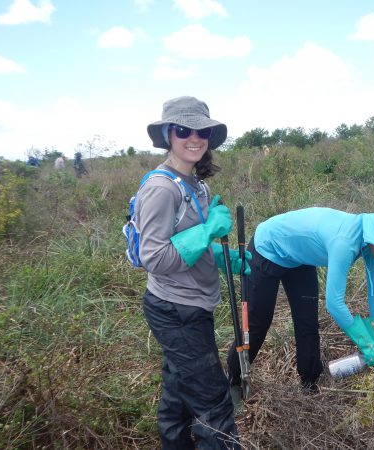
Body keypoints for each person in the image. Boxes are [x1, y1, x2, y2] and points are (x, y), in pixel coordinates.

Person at [137, 96, 245, 449]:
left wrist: (221, 256)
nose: (193, 138)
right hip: (175, 309)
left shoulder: (197, 185)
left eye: (201, 130)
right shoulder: (160, 188)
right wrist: (208, 232)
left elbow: (190, 247)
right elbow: (153, 256)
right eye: (184, 130)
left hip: (194, 305)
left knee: (178, 389)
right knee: (215, 402)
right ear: (169, 134)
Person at [226, 206, 374, 397]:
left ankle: (309, 382)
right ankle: (232, 378)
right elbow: (335, 304)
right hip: (268, 247)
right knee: (258, 323)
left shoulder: (372, 245)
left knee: (307, 321)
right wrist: (366, 344)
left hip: (300, 258)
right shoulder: (345, 242)